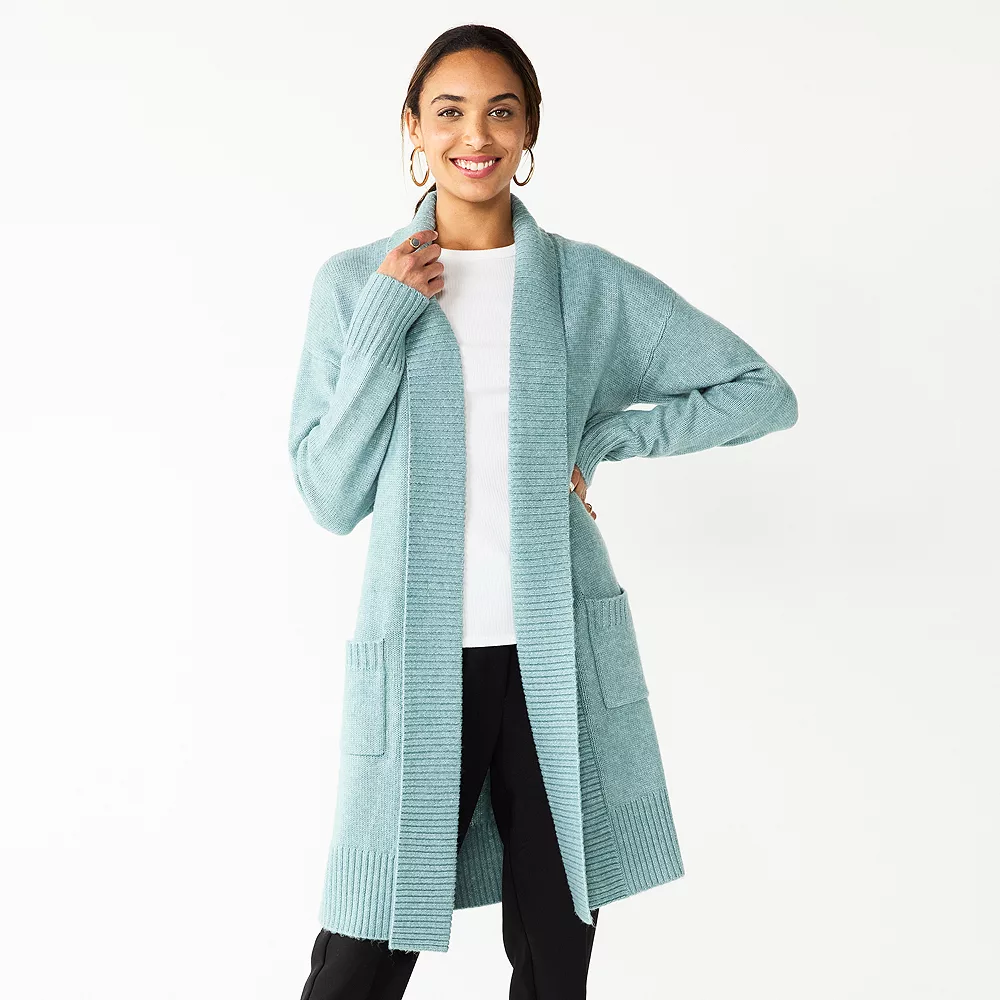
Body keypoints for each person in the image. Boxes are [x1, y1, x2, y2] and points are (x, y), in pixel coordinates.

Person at [288, 23, 798, 1000]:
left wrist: (604, 439)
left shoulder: (584, 285)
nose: (475, 135)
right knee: (359, 958)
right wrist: (386, 323)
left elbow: (760, 391)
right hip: (420, 664)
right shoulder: (355, 286)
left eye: (501, 111)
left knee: (556, 963)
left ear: (528, 132)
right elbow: (328, 493)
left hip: (556, 661)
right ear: (412, 127)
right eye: (449, 111)